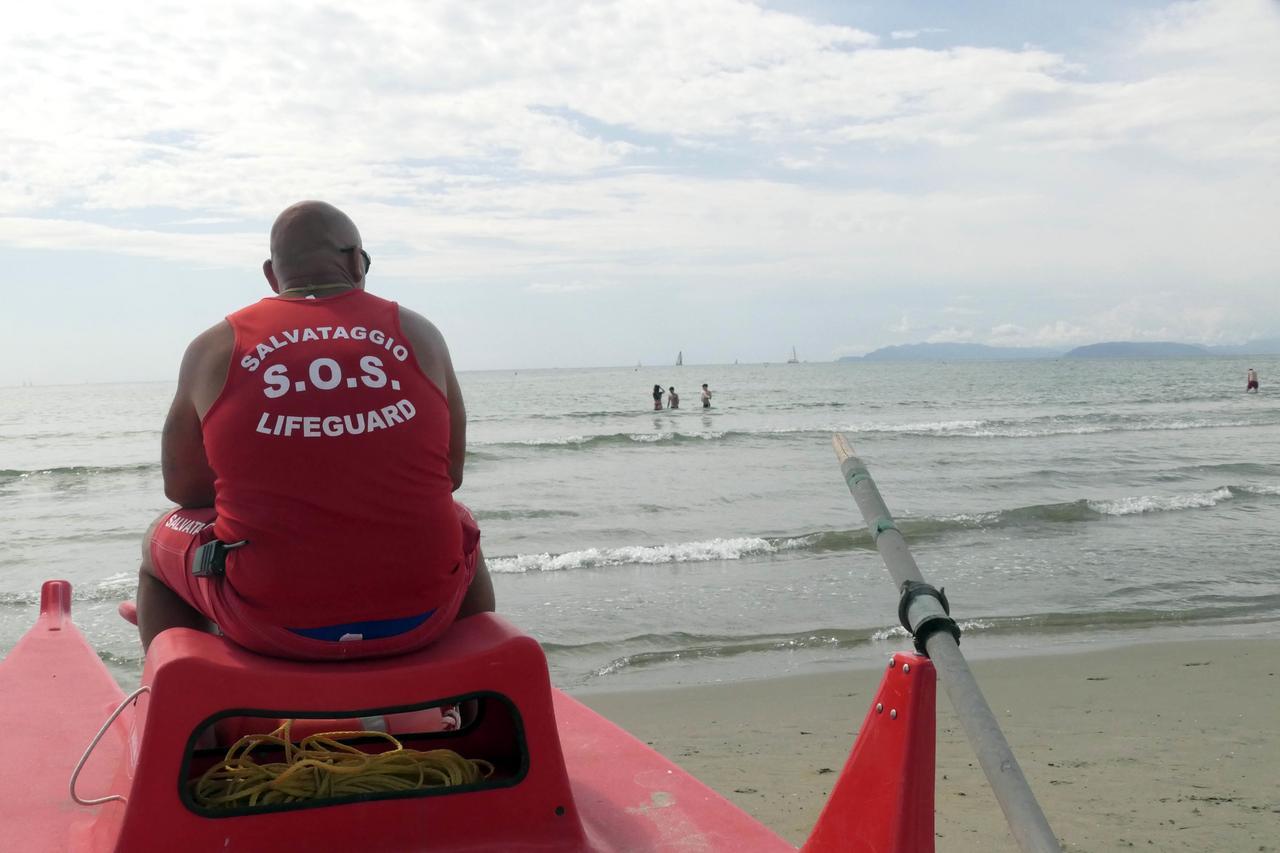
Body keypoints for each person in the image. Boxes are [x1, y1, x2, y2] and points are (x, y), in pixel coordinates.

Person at [137, 200, 494, 661]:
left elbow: (183, 489)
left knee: (159, 538)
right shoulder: (418, 333)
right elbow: (450, 473)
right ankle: (474, 685)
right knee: (457, 517)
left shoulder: (214, 346)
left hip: (268, 622)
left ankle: (185, 703)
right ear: (352, 262)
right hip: (426, 615)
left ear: (272, 274)